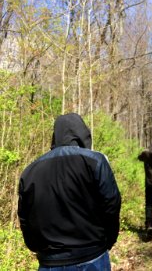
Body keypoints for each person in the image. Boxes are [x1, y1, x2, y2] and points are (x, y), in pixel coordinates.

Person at [18, 113, 121, 270]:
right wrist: (109, 240)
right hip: (91, 256)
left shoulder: (30, 171)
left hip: (50, 262)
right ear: (82, 134)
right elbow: (111, 203)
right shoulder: (95, 161)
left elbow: (25, 218)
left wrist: (37, 247)